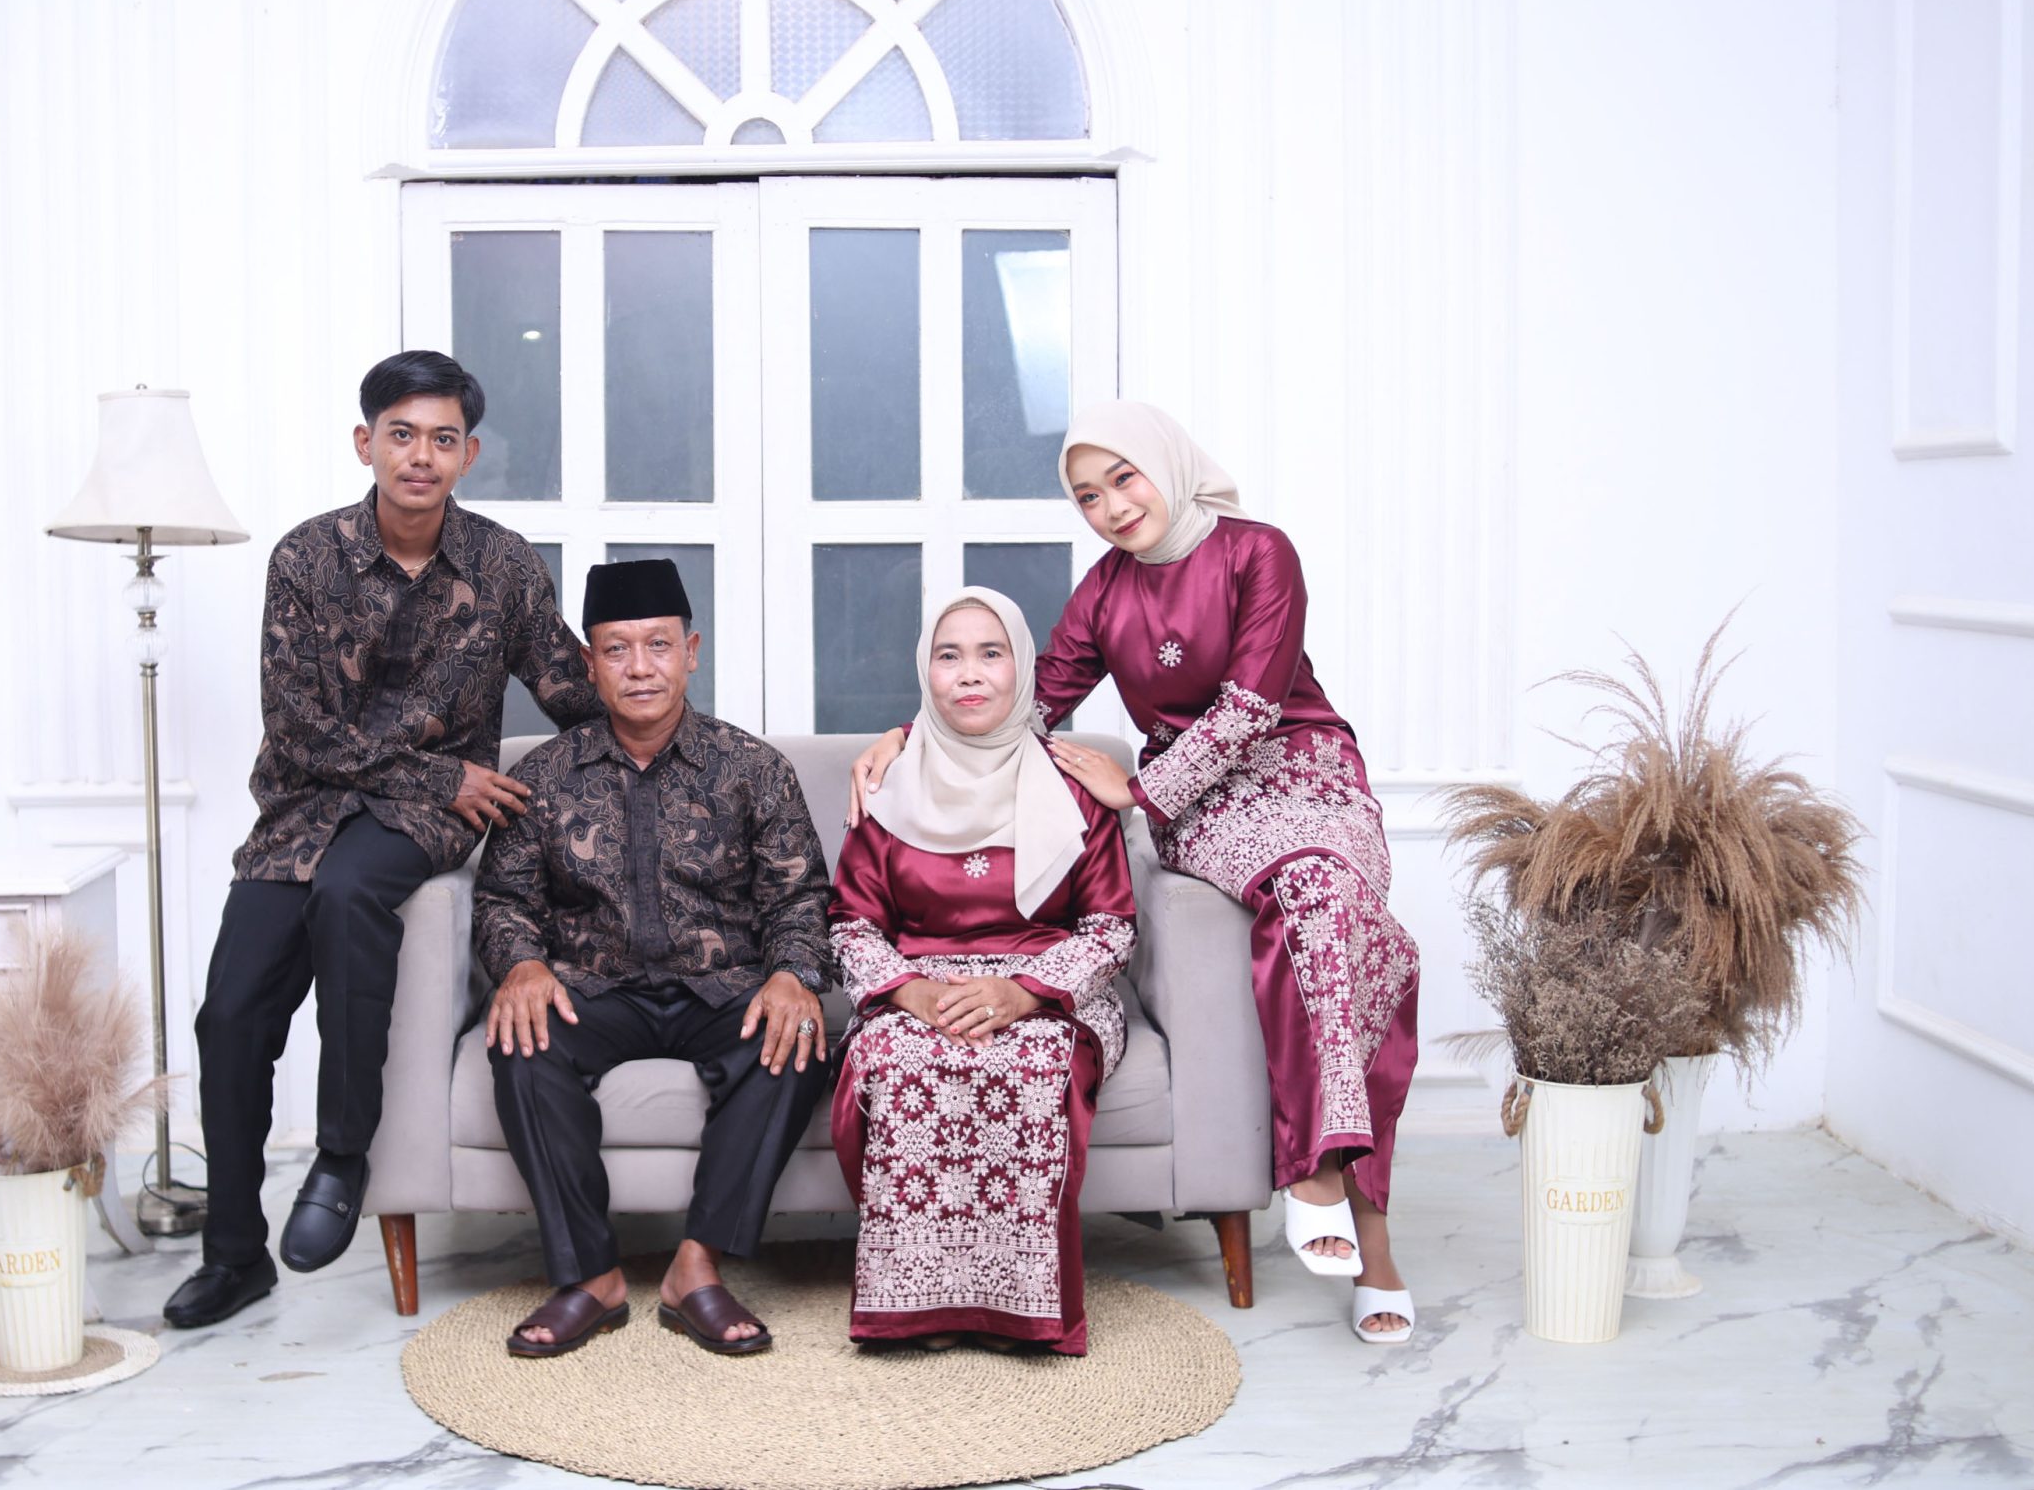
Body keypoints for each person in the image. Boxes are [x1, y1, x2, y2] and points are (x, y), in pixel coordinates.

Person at [849, 401, 1419, 1346]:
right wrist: (908, 737)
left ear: (1167, 463)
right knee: (1316, 896)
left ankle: (1351, 1203)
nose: (1112, 507)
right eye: (1087, 496)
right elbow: (1026, 695)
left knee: (1334, 908)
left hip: (1305, 773)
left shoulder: (1258, 551)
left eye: (1124, 478)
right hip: (1208, 808)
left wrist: (1141, 788)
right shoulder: (1106, 592)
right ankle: (1328, 1176)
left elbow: (1251, 706)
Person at [164, 351, 603, 1331]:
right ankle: (233, 1255)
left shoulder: (503, 565)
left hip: (416, 825)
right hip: (302, 810)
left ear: (469, 455)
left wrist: (660, 707)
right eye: (401, 435)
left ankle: (342, 1152)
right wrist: (443, 773)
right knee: (229, 1016)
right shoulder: (305, 558)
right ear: (366, 443)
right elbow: (297, 727)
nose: (420, 456)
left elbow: (570, 690)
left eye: (443, 439)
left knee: (352, 890)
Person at [475, 558, 834, 1359]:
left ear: (691, 652)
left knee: (801, 1039)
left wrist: (791, 974)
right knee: (521, 1042)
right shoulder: (544, 775)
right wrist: (522, 963)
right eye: (617, 649)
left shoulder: (754, 769)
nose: (640, 667)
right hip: (594, 989)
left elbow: (801, 896)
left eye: (659, 645)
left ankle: (695, 1267)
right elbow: (502, 898)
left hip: (723, 989)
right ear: (590, 663)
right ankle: (591, 1277)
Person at [828, 587, 1137, 1356]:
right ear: (925, 672)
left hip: (1048, 988)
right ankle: (918, 1306)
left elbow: (1110, 927)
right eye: (949, 655)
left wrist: (1023, 992)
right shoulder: (888, 783)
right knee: (898, 1056)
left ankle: (1022, 1310)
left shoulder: (1073, 783)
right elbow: (851, 922)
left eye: (991, 653)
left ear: (1022, 667)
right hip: (917, 987)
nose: (970, 673)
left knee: (1028, 1061)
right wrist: (910, 992)